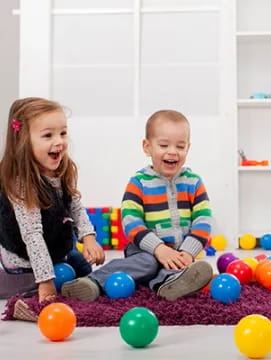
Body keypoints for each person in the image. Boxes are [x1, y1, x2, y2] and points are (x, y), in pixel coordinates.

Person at [62, 109, 213, 302]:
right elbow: (131, 222)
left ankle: (168, 284)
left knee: (178, 266)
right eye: (164, 145)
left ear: (188, 148)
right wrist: (158, 248)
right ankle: (92, 281)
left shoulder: (194, 182)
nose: (173, 151)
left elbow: (203, 220)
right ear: (147, 147)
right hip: (144, 249)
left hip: (179, 251)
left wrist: (188, 252)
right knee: (148, 264)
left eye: (180, 146)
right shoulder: (139, 182)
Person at [0, 97, 105, 305]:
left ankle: (67, 280)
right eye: (48, 135)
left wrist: (89, 237)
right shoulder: (21, 184)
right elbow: (32, 236)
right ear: (24, 141)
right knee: (36, 286)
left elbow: (74, 205)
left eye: (63, 133)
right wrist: (45, 280)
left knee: (82, 268)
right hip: (24, 260)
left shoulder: (62, 169)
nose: (59, 141)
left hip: (55, 249)